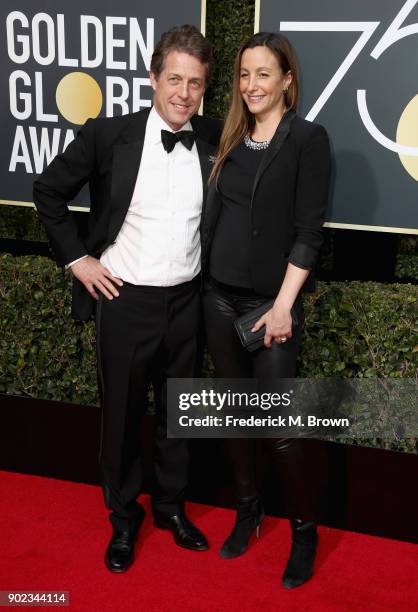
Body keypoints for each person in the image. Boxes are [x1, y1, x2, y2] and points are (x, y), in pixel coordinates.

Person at [33, 24, 221, 573]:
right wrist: (77, 260)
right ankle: (122, 517)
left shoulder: (213, 138)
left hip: (187, 301)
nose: (184, 94)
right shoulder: (108, 134)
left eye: (195, 83)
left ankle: (169, 507)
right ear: (153, 78)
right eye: (174, 80)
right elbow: (47, 191)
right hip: (124, 299)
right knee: (119, 418)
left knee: (179, 416)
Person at [201, 32, 331, 588]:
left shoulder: (307, 139)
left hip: (267, 305)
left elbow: (309, 232)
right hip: (217, 296)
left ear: (287, 80)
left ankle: (305, 530)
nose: (252, 85)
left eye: (263, 74)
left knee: (277, 426)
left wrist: (282, 308)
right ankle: (249, 510)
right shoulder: (228, 135)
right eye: (245, 75)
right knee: (234, 416)